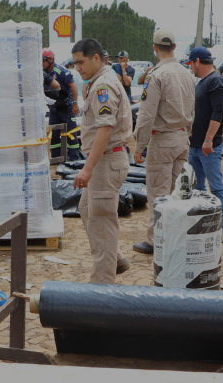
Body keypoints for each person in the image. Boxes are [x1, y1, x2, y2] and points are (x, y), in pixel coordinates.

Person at [70, 38, 133, 283]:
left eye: (81, 62)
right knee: (86, 210)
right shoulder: (98, 82)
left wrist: (87, 169)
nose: (77, 68)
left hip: (106, 161)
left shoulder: (102, 87)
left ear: (96, 58)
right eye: (75, 64)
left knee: (101, 225)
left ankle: (101, 287)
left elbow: (104, 131)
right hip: (106, 160)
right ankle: (116, 259)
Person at [132, 29, 196, 254]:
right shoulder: (187, 73)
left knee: (158, 193)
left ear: (154, 48)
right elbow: (192, 108)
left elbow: (146, 114)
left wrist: (139, 145)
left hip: (163, 139)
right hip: (181, 137)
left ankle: (155, 241)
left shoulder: (156, 75)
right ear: (175, 47)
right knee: (179, 192)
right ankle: (176, 237)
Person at [187, 46, 223, 235]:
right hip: (195, 144)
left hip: (208, 146)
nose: (191, 68)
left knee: (216, 187)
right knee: (197, 187)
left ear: (197, 62)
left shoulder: (216, 82)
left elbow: (218, 112)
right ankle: (202, 222)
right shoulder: (203, 81)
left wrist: (209, 139)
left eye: (191, 64)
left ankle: (222, 227)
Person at [43, 49, 82, 161]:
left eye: (43, 61)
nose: (42, 64)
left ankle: (74, 159)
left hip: (66, 109)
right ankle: (56, 158)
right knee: (54, 135)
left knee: (70, 135)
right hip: (54, 110)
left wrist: (75, 103)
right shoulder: (43, 72)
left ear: (50, 60)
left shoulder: (61, 71)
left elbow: (73, 86)